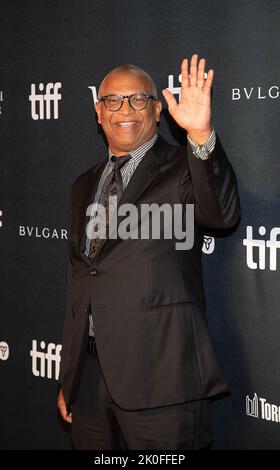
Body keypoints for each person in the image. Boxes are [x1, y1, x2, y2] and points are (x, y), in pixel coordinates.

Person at [57, 54, 240, 450]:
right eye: (113, 101)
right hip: (89, 380)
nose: (125, 110)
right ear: (98, 112)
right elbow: (81, 282)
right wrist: (71, 376)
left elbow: (222, 213)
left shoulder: (182, 168)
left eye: (138, 100)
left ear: (158, 110)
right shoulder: (82, 184)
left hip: (163, 379)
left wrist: (202, 137)